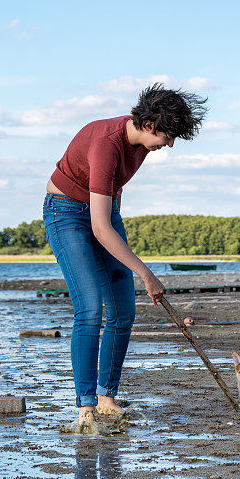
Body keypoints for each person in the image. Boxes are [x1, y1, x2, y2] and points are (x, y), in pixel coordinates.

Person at [42, 83, 207, 423]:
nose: (170, 143)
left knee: (123, 310)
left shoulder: (142, 145)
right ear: (149, 125)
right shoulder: (106, 143)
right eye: (168, 135)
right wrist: (146, 273)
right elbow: (99, 228)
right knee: (89, 308)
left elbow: (112, 195)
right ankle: (86, 406)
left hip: (104, 212)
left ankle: (107, 398)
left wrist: (123, 251)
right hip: (65, 213)